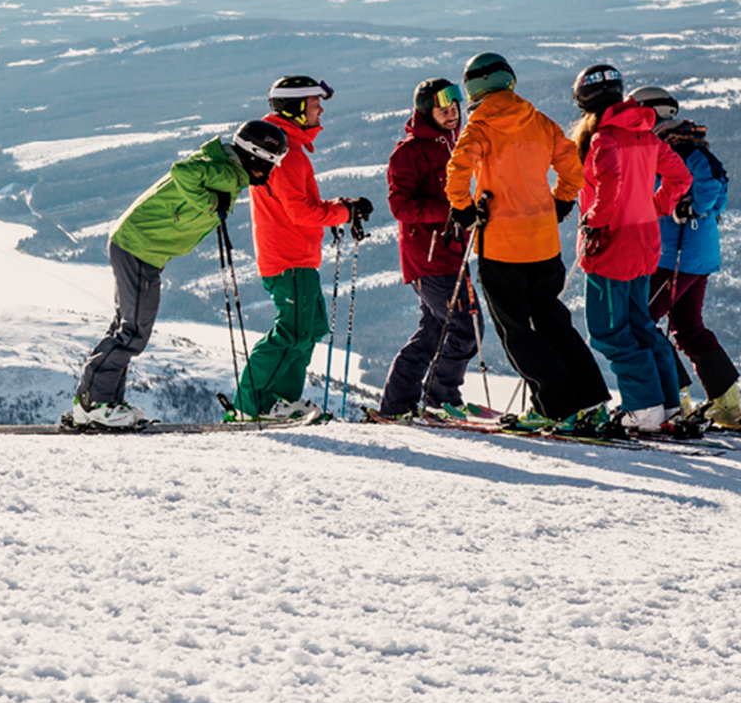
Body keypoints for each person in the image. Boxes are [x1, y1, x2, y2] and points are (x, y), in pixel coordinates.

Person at [71, 119, 288, 428]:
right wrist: (211, 202)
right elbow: (182, 172)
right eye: (272, 162)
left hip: (140, 248)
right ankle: (95, 403)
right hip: (139, 248)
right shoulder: (225, 172)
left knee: (127, 327)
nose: (272, 170)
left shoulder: (227, 169)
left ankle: (103, 400)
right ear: (257, 156)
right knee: (132, 331)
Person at [444, 52, 610, 429]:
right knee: (553, 322)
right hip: (544, 244)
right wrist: (561, 202)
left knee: (517, 332)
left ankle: (554, 408)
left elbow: (457, 171)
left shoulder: (480, 127)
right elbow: (571, 165)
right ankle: (590, 401)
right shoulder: (540, 122)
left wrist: (465, 209)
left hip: (502, 247)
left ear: (473, 88)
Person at [227, 76, 373, 422]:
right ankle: (250, 406)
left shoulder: (285, 148)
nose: (320, 108)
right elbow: (301, 213)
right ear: (295, 109)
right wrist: (343, 212)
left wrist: (341, 206)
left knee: (310, 329)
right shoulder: (287, 154)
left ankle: (280, 402)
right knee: (292, 331)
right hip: (288, 259)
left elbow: (299, 204)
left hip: (295, 258)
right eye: (313, 103)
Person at [571, 64, 692, 432]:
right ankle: (667, 404)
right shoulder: (644, 134)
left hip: (611, 245)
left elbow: (609, 184)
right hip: (644, 242)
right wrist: (656, 206)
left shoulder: (604, 138)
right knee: (641, 325)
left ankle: (644, 409)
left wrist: (594, 220)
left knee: (609, 331)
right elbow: (681, 178)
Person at [630, 86, 741, 428]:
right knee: (688, 327)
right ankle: (727, 407)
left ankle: (672, 401)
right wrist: (700, 210)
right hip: (698, 256)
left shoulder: (676, 149)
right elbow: (719, 191)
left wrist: (689, 208)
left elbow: (709, 188)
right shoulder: (691, 145)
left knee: (641, 322)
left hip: (674, 256)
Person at [374, 77, 479, 418]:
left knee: (433, 332)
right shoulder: (409, 152)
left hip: (451, 253)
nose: (452, 115)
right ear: (425, 112)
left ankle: (396, 406)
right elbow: (400, 207)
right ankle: (441, 400)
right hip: (430, 257)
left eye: (454, 108)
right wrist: (452, 212)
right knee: (467, 327)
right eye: (443, 110)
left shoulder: (454, 144)